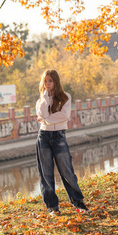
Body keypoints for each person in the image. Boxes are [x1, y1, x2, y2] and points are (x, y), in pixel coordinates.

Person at [35, 69, 89, 215]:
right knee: (46, 174)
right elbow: (43, 113)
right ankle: (52, 207)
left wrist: (46, 118)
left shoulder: (65, 97)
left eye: (50, 81)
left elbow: (64, 116)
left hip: (58, 136)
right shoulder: (41, 100)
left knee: (67, 171)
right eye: (45, 81)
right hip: (43, 137)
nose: (47, 84)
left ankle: (78, 204)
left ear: (56, 81)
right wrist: (46, 98)